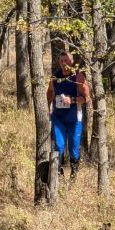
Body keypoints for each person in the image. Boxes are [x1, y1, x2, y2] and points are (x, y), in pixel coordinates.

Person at [46, 51, 90, 179]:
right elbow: (50, 92)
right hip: (58, 119)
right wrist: (49, 106)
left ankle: (73, 176)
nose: (63, 63)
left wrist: (72, 100)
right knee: (58, 147)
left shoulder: (78, 77)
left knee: (74, 150)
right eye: (61, 61)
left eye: (66, 60)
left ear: (72, 61)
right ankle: (58, 176)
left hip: (74, 119)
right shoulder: (55, 77)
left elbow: (87, 98)